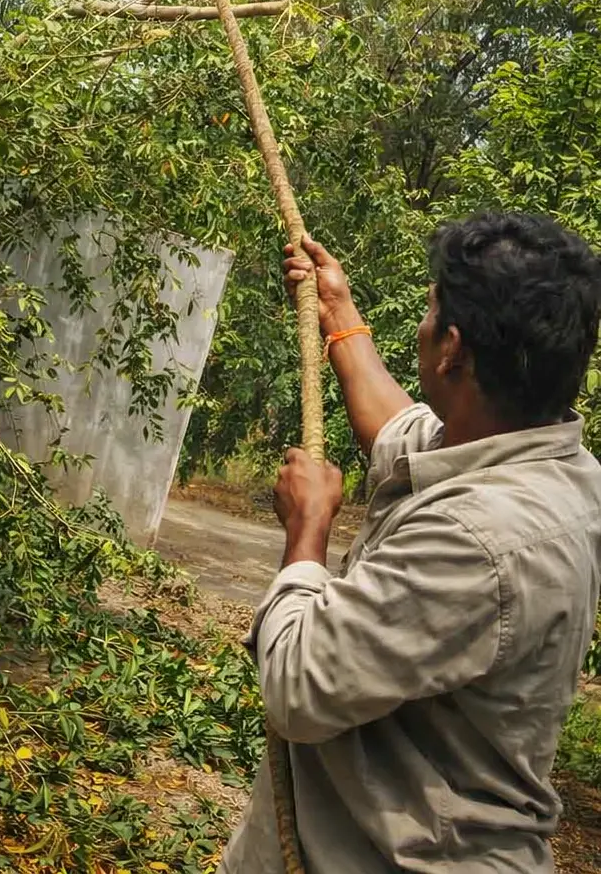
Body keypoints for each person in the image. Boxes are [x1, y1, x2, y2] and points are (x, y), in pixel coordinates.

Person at [220, 212, 601, 874]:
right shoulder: (546, 462)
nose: (421, 330)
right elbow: (401, 428)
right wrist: (337, 311)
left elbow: (298, 686)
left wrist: (307, 531)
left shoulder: (480, 540)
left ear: (451, 349)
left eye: (428, 315)